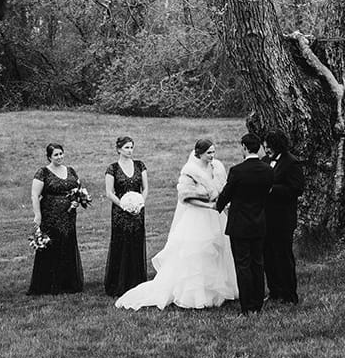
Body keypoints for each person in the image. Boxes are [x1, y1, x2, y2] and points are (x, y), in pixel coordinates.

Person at [115, 139, 238, 310]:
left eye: (213, 152)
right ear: (199, 153)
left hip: (216, 216)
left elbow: (223, 189)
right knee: (197, 252)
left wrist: (221, 205)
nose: (212, 156)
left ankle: (219, 292)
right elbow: (186, 198)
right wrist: (209, 206)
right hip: (198, 216)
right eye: (208, 152)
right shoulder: (190, 171)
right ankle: (195, 295)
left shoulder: (217, 167)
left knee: (218, 250)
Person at [214, 132, 273, 314]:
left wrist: (218, 205)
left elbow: (226, 194)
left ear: (245, 148)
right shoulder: (268, 170)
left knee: (242, 264)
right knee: (258, 263)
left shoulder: (237, 171)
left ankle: (247, 306)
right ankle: (258, 303)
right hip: (259, 222)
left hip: (240, 224)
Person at [28, 142, 85, 295]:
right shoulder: (43, 173)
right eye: (56, 155)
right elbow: (35, 195)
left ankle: (68, 282)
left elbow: (77, 190)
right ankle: (49, 284)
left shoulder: (71, 170)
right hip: (50, 214)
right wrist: (37, 215)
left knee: (67, 243)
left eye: (61, 154)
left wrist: (76, 200)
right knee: (52, 245)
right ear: (49, 157)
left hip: (69, 214)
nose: (59, 157)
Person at [262, 129, 305, 304]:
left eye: (269, 147)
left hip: (283, 217)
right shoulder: (265, 161)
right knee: (268, 255)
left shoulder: (291, 163)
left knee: (283, 255)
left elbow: (297, 188)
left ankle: (289, 294)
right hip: (266, 216)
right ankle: (274, 290)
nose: (266, 150)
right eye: (265, 147)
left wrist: (273, 189)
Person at [103, 135, 149, 296]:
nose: (130, 151)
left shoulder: (140, 165)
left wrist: (139, 203)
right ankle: (119, 282)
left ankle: (136, 281)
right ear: (118, 150)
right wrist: (123, 205)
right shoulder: (112, 168)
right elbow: (109, 192)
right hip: (120, 211)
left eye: (131, 147)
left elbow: (145, 188)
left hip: (137, 210)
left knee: (136, 241)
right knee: (121, 242)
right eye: (126, 148)